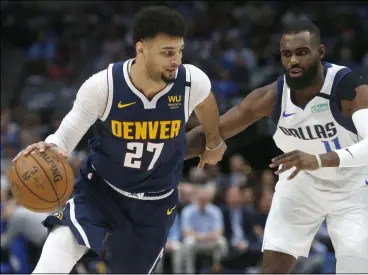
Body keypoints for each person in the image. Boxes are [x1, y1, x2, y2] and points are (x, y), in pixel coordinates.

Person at [12, 6, 227, 274]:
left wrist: (214, 141)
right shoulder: (104, 86)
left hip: (154, 204)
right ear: (141, 49)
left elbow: (207, 103)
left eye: (180, 51)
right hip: (101, 190)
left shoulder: (191, 81)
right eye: (167, 52)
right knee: (62, 241)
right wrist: (52, 147)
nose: (176, 60)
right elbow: (67, 132)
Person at [186, 20, 368, 274]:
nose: (293, 61)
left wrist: (319, 159)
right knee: (273, 268)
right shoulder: (272, 97)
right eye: (287, 54)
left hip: (355, 185)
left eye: (301, 52)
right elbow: (215, 130)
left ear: (320, 52)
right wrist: (162, 153)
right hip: (302, 182)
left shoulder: (347, 86)